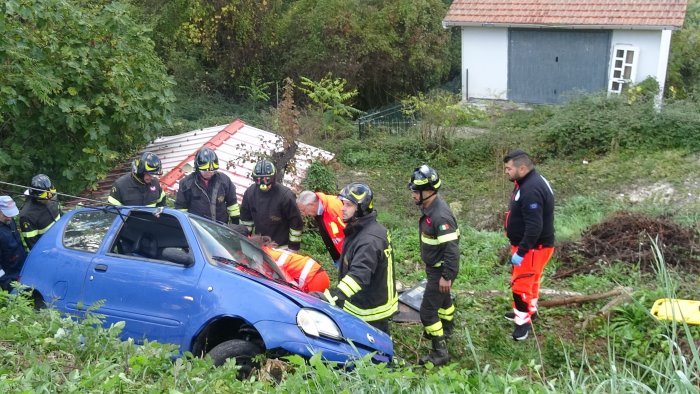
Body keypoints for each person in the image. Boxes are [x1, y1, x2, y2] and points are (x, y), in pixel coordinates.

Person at [321, 183, 398, 335]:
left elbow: (359, 275)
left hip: (371, 309)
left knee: (375, 351)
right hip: (365, 299)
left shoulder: (369, 239)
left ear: (361, 208)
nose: (342, 208)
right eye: (343, 204)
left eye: (348, 205)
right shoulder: (361, 228)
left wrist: (334, 296)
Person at [408, 164, 460, 366]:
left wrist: (446, 276)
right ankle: (447, 329)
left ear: (428, 191)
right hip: (436, 269)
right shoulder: (430, 208)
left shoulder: (440, 216)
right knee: (444, 302)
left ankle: (440, 352)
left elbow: (451, 249)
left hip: (441, 270)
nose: (412, 195)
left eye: (415, 191)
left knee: (428, 312)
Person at [503, 150, 555, 341]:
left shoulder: (531, 189)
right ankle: (530, 312)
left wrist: (522, 251)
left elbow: (535, 226)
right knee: (531, 282)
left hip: (533, 249)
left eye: (509, 169)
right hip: (534, 247)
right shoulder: (527, 182)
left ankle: (522, 323)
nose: (506, 172)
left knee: (520, 286)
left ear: (522, 168)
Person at [240, 160, 303, 250]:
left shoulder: (286, 196)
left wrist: (293, 248)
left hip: (281, 248)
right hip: (260, 246)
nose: (264, 184)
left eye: (267, 180)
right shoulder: (250, 193)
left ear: (273, 178)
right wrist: (244, 242)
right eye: (259, 180)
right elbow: (246, 221)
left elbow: (296, 224)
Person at [175, 148, 240, 224]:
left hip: (221, 228)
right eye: (205, 170)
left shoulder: (224, 180)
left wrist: (235, 222)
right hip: (196, 229)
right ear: (197, 168)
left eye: (212, 171)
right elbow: (181, 209)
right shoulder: (186, 183)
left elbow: (232, 204)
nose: (209, 173)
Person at [250, 235, 330, 293]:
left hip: (314, 278)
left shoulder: (269, 258)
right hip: (315, 274)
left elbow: (291, 285)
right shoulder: (268, 252)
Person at [297, 190, 345, 266]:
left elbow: (349, 232)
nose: (304, 214)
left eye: (303, 210)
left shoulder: (332, 209)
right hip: (337, 255)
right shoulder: (319, 210)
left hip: (346, 257)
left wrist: (347, 258)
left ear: (311, 205)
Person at [19, 174, 61, 250]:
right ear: (35, 195)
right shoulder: (27, 216)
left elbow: (60, 213)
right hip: (47, 248)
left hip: (60, 240)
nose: (50, 197)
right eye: (45, 195)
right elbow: (32, 243)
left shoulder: (51, 196)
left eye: (51, 192)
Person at [0, 196, 26, 291]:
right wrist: (6, 283)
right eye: (6, 215)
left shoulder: (9, 220)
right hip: (10, 278)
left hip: (22, 269)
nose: (10, 218)